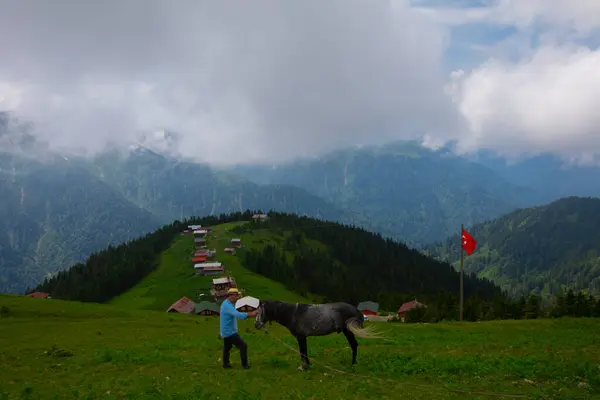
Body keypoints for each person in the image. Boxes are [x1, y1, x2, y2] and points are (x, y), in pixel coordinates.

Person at [220, 287, 257, 369]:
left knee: (227, 348)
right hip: (230, 332)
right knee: (243, 346)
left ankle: (225, 364)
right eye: (236, 295)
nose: (237, 298)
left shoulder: (226, 303)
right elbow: (239, 315)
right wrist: (251, 314)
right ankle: (245, 365)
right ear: (230, 296)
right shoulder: (227, 306)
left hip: (225, 331)